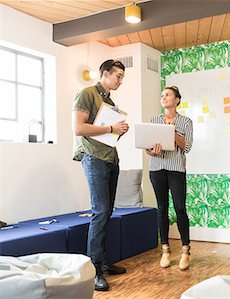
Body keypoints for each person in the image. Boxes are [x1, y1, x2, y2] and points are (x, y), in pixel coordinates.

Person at [72, 59, 129, 291]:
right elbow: (79, 128)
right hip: (93, 157)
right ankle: (93, 268)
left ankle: (103, 262)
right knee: (100, 211)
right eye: (117, 76)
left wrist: (119, 132)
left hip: (110, 158)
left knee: (107, 212)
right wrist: (111, 129)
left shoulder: (110, 102)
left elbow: (107, 134)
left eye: (122, 77)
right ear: (104, 74)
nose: (120, 81)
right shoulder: (86, 93)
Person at [146, 86, 193, 270]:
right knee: (161, 208)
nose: (164, 98)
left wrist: (171, 131)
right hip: (157, 168)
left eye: (168, 95)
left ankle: (185, 250)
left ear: (177, 100)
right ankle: (165, 250)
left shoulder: (186, 122)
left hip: (176, 169)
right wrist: (151, 151)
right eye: (162, 95)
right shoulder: (153, 120)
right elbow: (148, 147)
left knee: (180, 208)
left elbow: (187, 147)